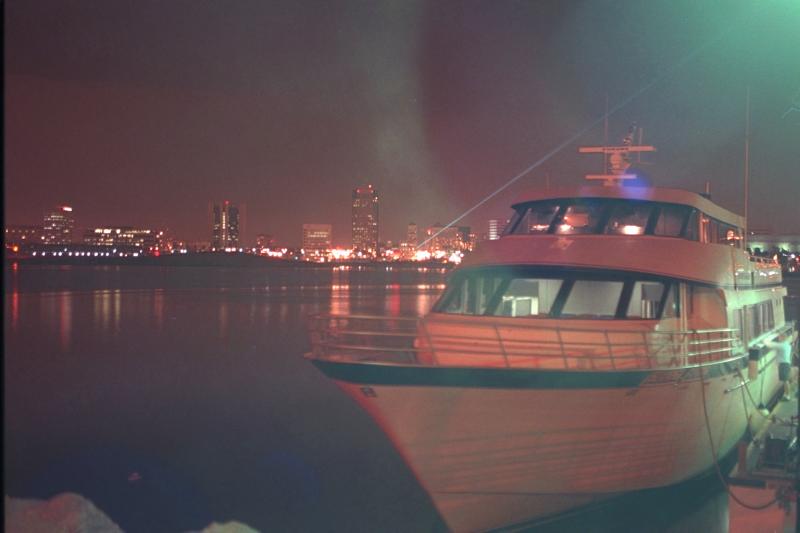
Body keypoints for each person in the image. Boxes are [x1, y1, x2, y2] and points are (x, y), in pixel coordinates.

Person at [766, 332, 794, 400]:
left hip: (783, 365)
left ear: (783, 338)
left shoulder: (781, 345)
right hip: (786, 364)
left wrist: (769, 336)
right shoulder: (787, 344)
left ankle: (788, 395)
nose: (778, 338)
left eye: (779, 337)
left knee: (785, 381)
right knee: (785, 380)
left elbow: (768, 344)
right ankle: (787, 394)